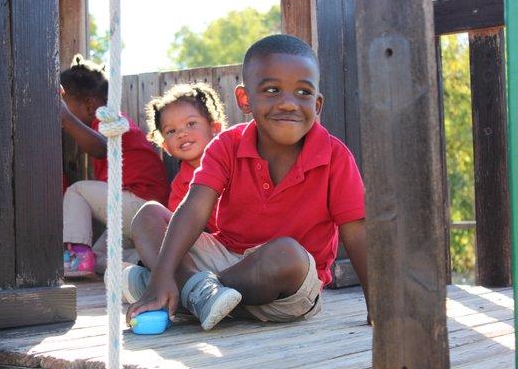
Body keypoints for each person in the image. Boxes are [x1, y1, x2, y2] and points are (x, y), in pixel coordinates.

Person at [125, 34, 369, 331]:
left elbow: (357, 234)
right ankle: (188, 289)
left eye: (303, 92)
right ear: (245, 100)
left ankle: (188, 291)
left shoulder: (335, 157)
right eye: (272, 90)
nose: (289, 103)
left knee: (286, 253)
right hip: (226, 258)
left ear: (317, 104)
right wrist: (164, 271)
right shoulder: (228, 144)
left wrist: (381, 306)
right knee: (148, 215)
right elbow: (196, 207)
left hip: (286, 287)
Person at [60, 55, 169, 277]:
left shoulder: (109, 120)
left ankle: (75, 256)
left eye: (67, 106)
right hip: (138, 212)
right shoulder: (108, 121)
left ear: (90, 105)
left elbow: (101, 148)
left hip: (139, 202)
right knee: (99, 258)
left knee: (76, 190)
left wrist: (64, 116)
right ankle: (142, 263)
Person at [120, 83, 227, 297]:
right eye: (171, 131)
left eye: (191, 123)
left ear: (215, 129)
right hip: (200, 252)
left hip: (236, 248)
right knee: (156, 226)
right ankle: (175, 282)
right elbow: (175, 232)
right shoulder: (180, 184)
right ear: (166, 146)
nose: (182, 133)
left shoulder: (233, 163)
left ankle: (152, 280)